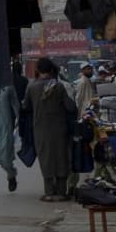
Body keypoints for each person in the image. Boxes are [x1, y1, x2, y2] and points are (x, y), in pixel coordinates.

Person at [25, 58, 80, 202]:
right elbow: (70, 107)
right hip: (59, 129)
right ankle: (61, 192)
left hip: (40, 130)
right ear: (51, 70)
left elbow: (26, 107)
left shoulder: (32, 87)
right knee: (61, 158)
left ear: (37, 71)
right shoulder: (59, 87)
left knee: (46, 159)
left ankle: (49, 192)